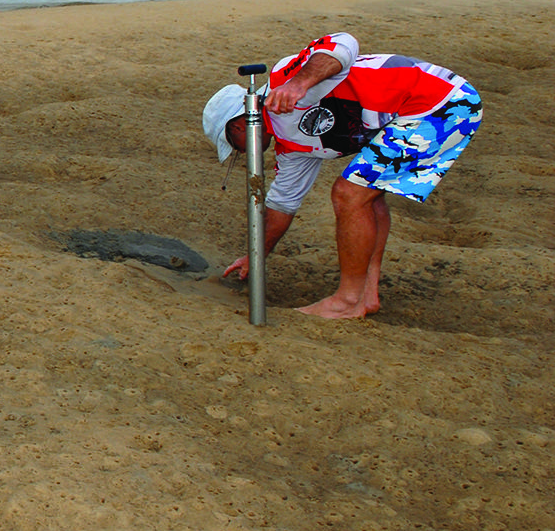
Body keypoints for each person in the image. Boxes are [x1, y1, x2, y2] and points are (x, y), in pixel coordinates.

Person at [202, 32, 482, 320]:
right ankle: (366, 295)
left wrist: (300, 83)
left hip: (441, 100)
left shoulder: (281, 81)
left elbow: (343, 43)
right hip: (416, 110)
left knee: (349, 194)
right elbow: (282, 204)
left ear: (238, 123)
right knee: (368, 197)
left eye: (233, 145)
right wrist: (256, 255)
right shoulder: (292, 149)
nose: (240, 152)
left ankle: (346, 300)